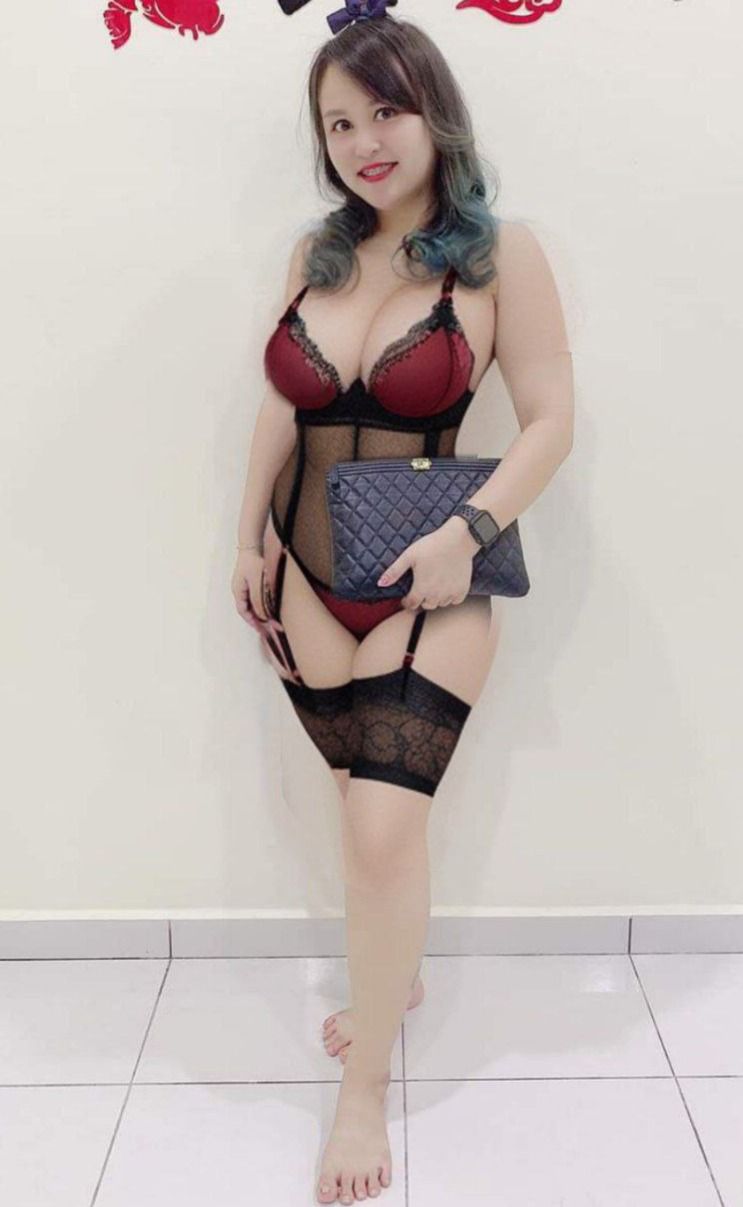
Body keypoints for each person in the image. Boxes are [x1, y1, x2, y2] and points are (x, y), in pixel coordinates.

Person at [231, 7, 574, 1203]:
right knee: (357, 811)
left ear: (433, 112)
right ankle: (396, 975)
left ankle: (362, 1091)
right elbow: (283, 406)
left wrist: (467, 532)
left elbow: (549, 421)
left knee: (381, 832)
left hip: (434, 579)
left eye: (384, 110)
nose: (363, 142)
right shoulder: (315, 256)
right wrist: (245, 536)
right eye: (338, 123)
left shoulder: (497, 256)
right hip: (304, 573)